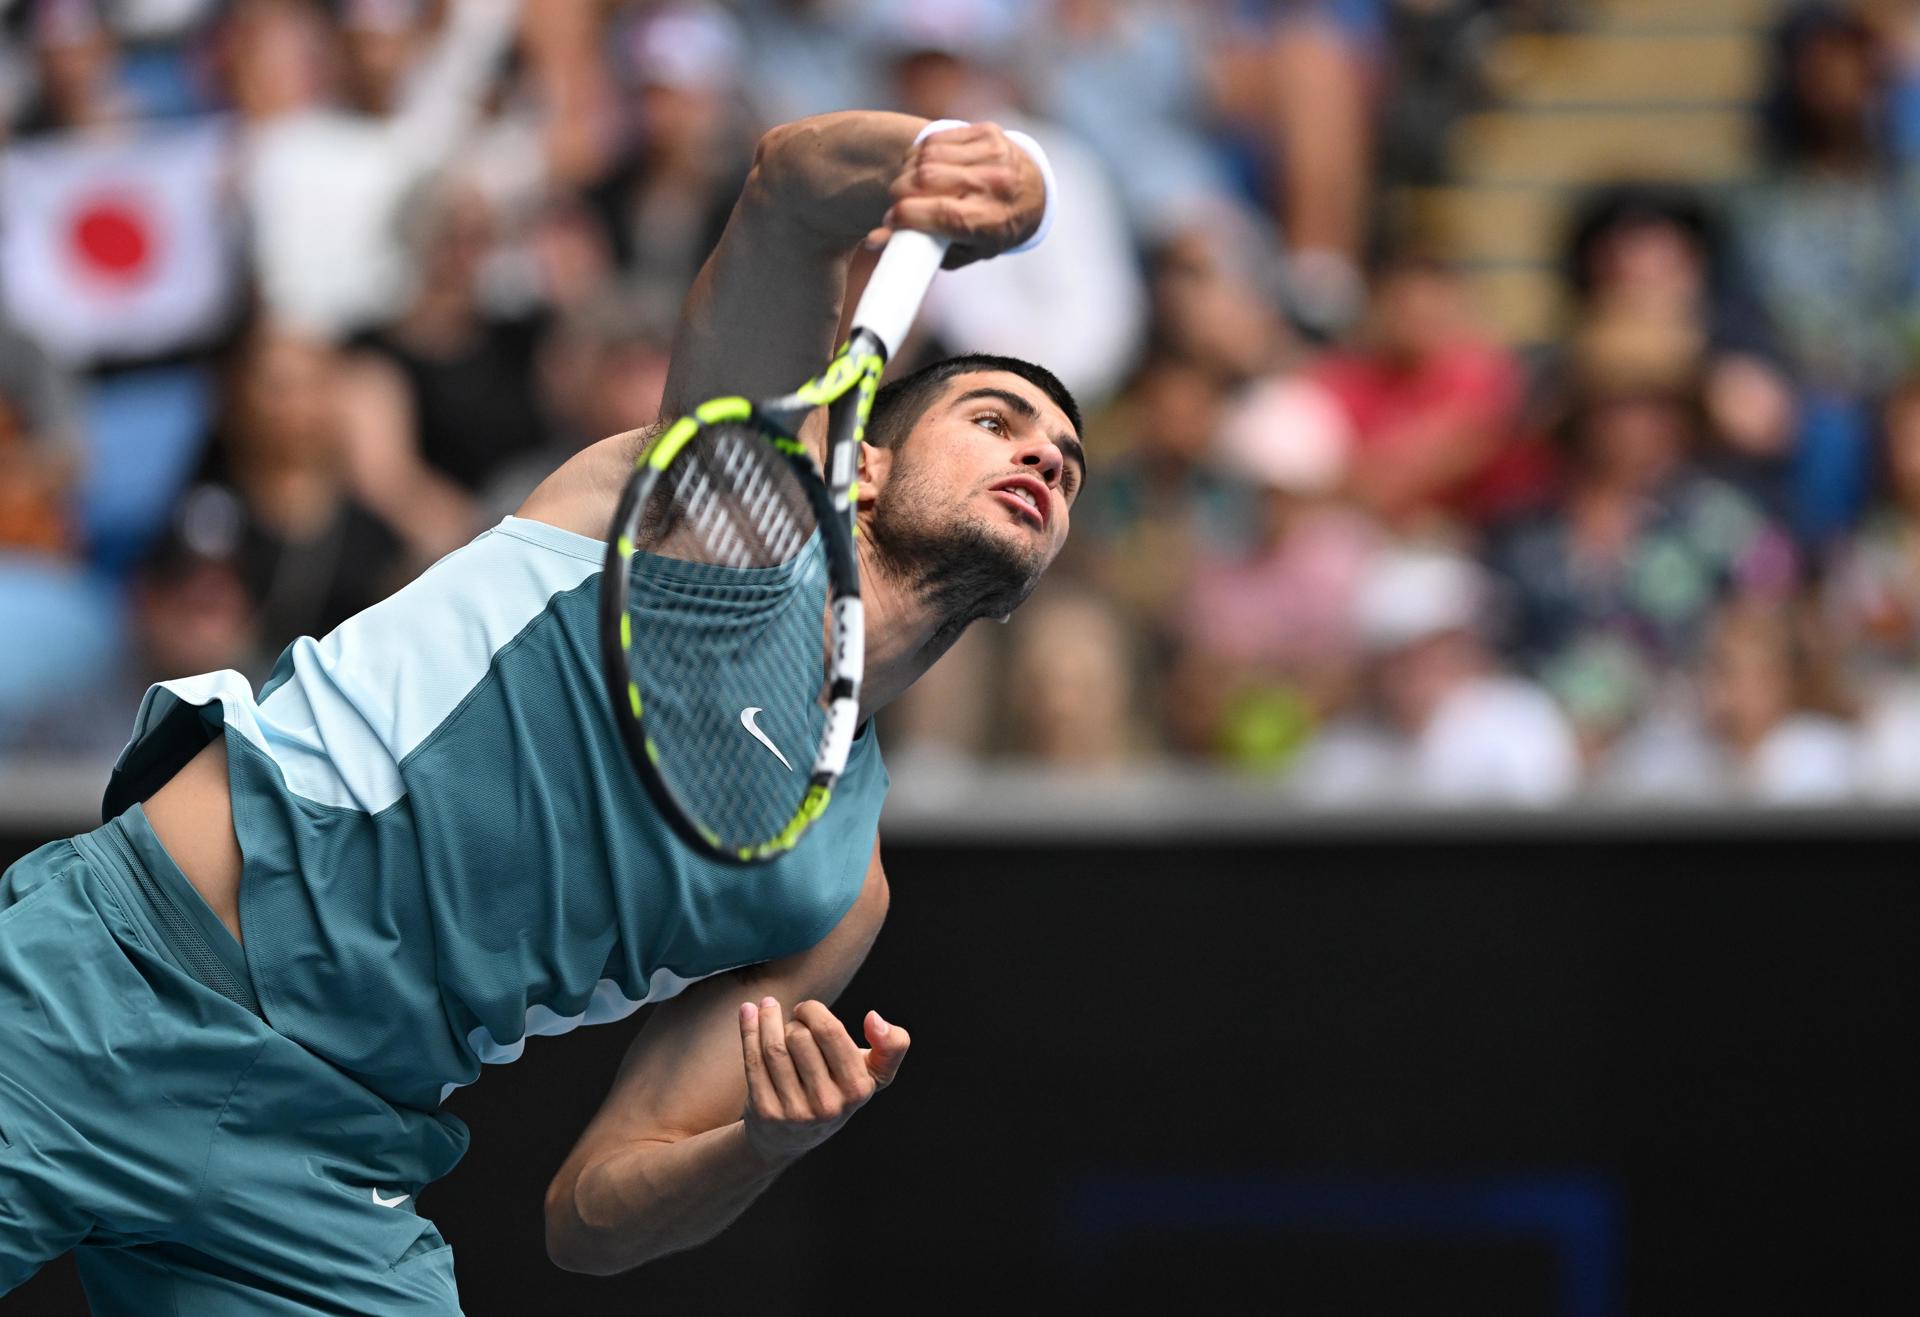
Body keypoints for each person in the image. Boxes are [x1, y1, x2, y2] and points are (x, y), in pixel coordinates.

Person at [0, 113, 1077, 1311]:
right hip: (110, 986)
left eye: (1069, 466)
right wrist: (933, 154)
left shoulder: (837, 888)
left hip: (320, 1155)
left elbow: (594, 1217)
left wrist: (762, 1147)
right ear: (861, 464)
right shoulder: (713, 509)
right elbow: (785, 194)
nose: (1043, 458)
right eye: (996, 420)